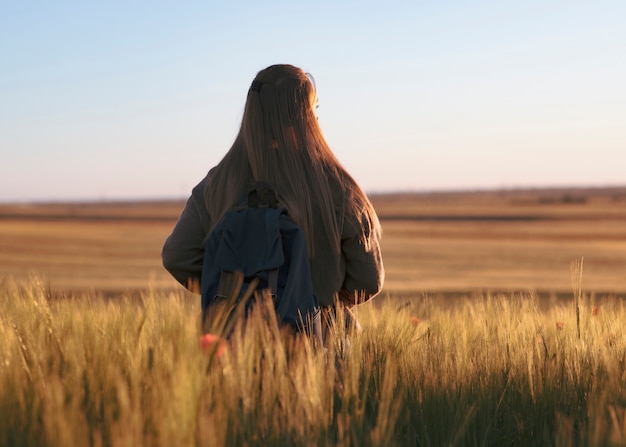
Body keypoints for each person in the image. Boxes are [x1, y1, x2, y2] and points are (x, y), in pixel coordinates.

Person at [162, 63, 384, 338]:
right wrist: (315, 296)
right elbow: (368, 281)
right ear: (305, 118)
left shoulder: (216, 184)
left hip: (233, 349)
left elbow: (177, 256)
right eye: (314, 109)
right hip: (320, 349)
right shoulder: (339, 188)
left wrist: (235, 291)